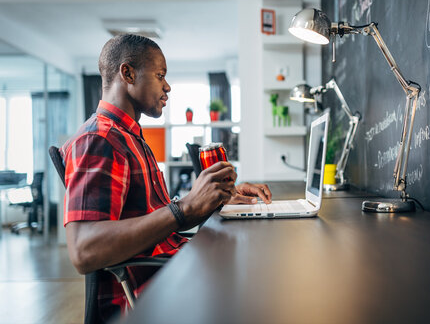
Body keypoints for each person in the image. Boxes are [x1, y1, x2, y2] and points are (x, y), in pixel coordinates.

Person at [61, 34, 272, 321]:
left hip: (171, 270)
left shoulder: (128, 136)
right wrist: (183, 209)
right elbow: (85, 250)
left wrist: (214, 198)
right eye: (160, 75)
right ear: (128, 73)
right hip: (152, 292)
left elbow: (152, 213)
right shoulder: (100, 140)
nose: (167, 86)